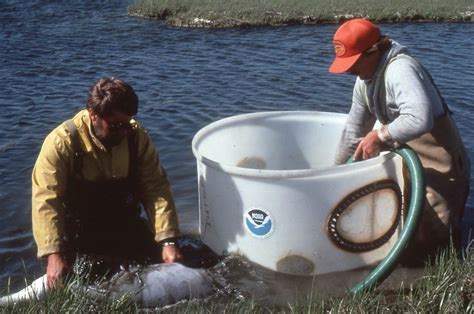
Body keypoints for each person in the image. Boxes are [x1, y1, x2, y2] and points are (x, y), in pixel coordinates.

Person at [329, 19, 470, 265]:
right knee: (408, 225)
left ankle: (446, 280)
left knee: (439, 229)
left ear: (373, 51)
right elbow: (353, 132)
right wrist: (333, 176)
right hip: (409, 156)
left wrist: (380, 135)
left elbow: (420, 118)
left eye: (353, 64)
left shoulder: (400, 70)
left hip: (440, 160)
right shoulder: (364, 81)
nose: (350, 71)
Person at [32, 77, 183, 288]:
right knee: (74, 279)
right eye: (115, 126)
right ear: (94, 115)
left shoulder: (136, 137)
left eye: (127, 124)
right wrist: (53, 253)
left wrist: (167, 241)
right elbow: (47, 200)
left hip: (124, 223)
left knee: (172, 264)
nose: (123, 131)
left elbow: (156, 187)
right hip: (80, 234)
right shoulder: (61, 142)